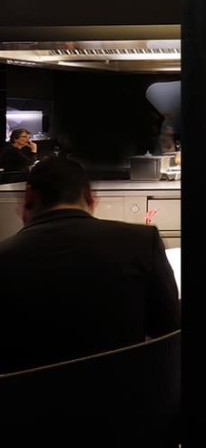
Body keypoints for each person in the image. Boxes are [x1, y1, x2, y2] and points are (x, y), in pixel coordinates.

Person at [0, 157, 180, 373]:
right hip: (126, 397)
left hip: (27, 403)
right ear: (88, 196)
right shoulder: (141, 241)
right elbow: (168, 330)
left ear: (29, 196)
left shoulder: (5, 257)